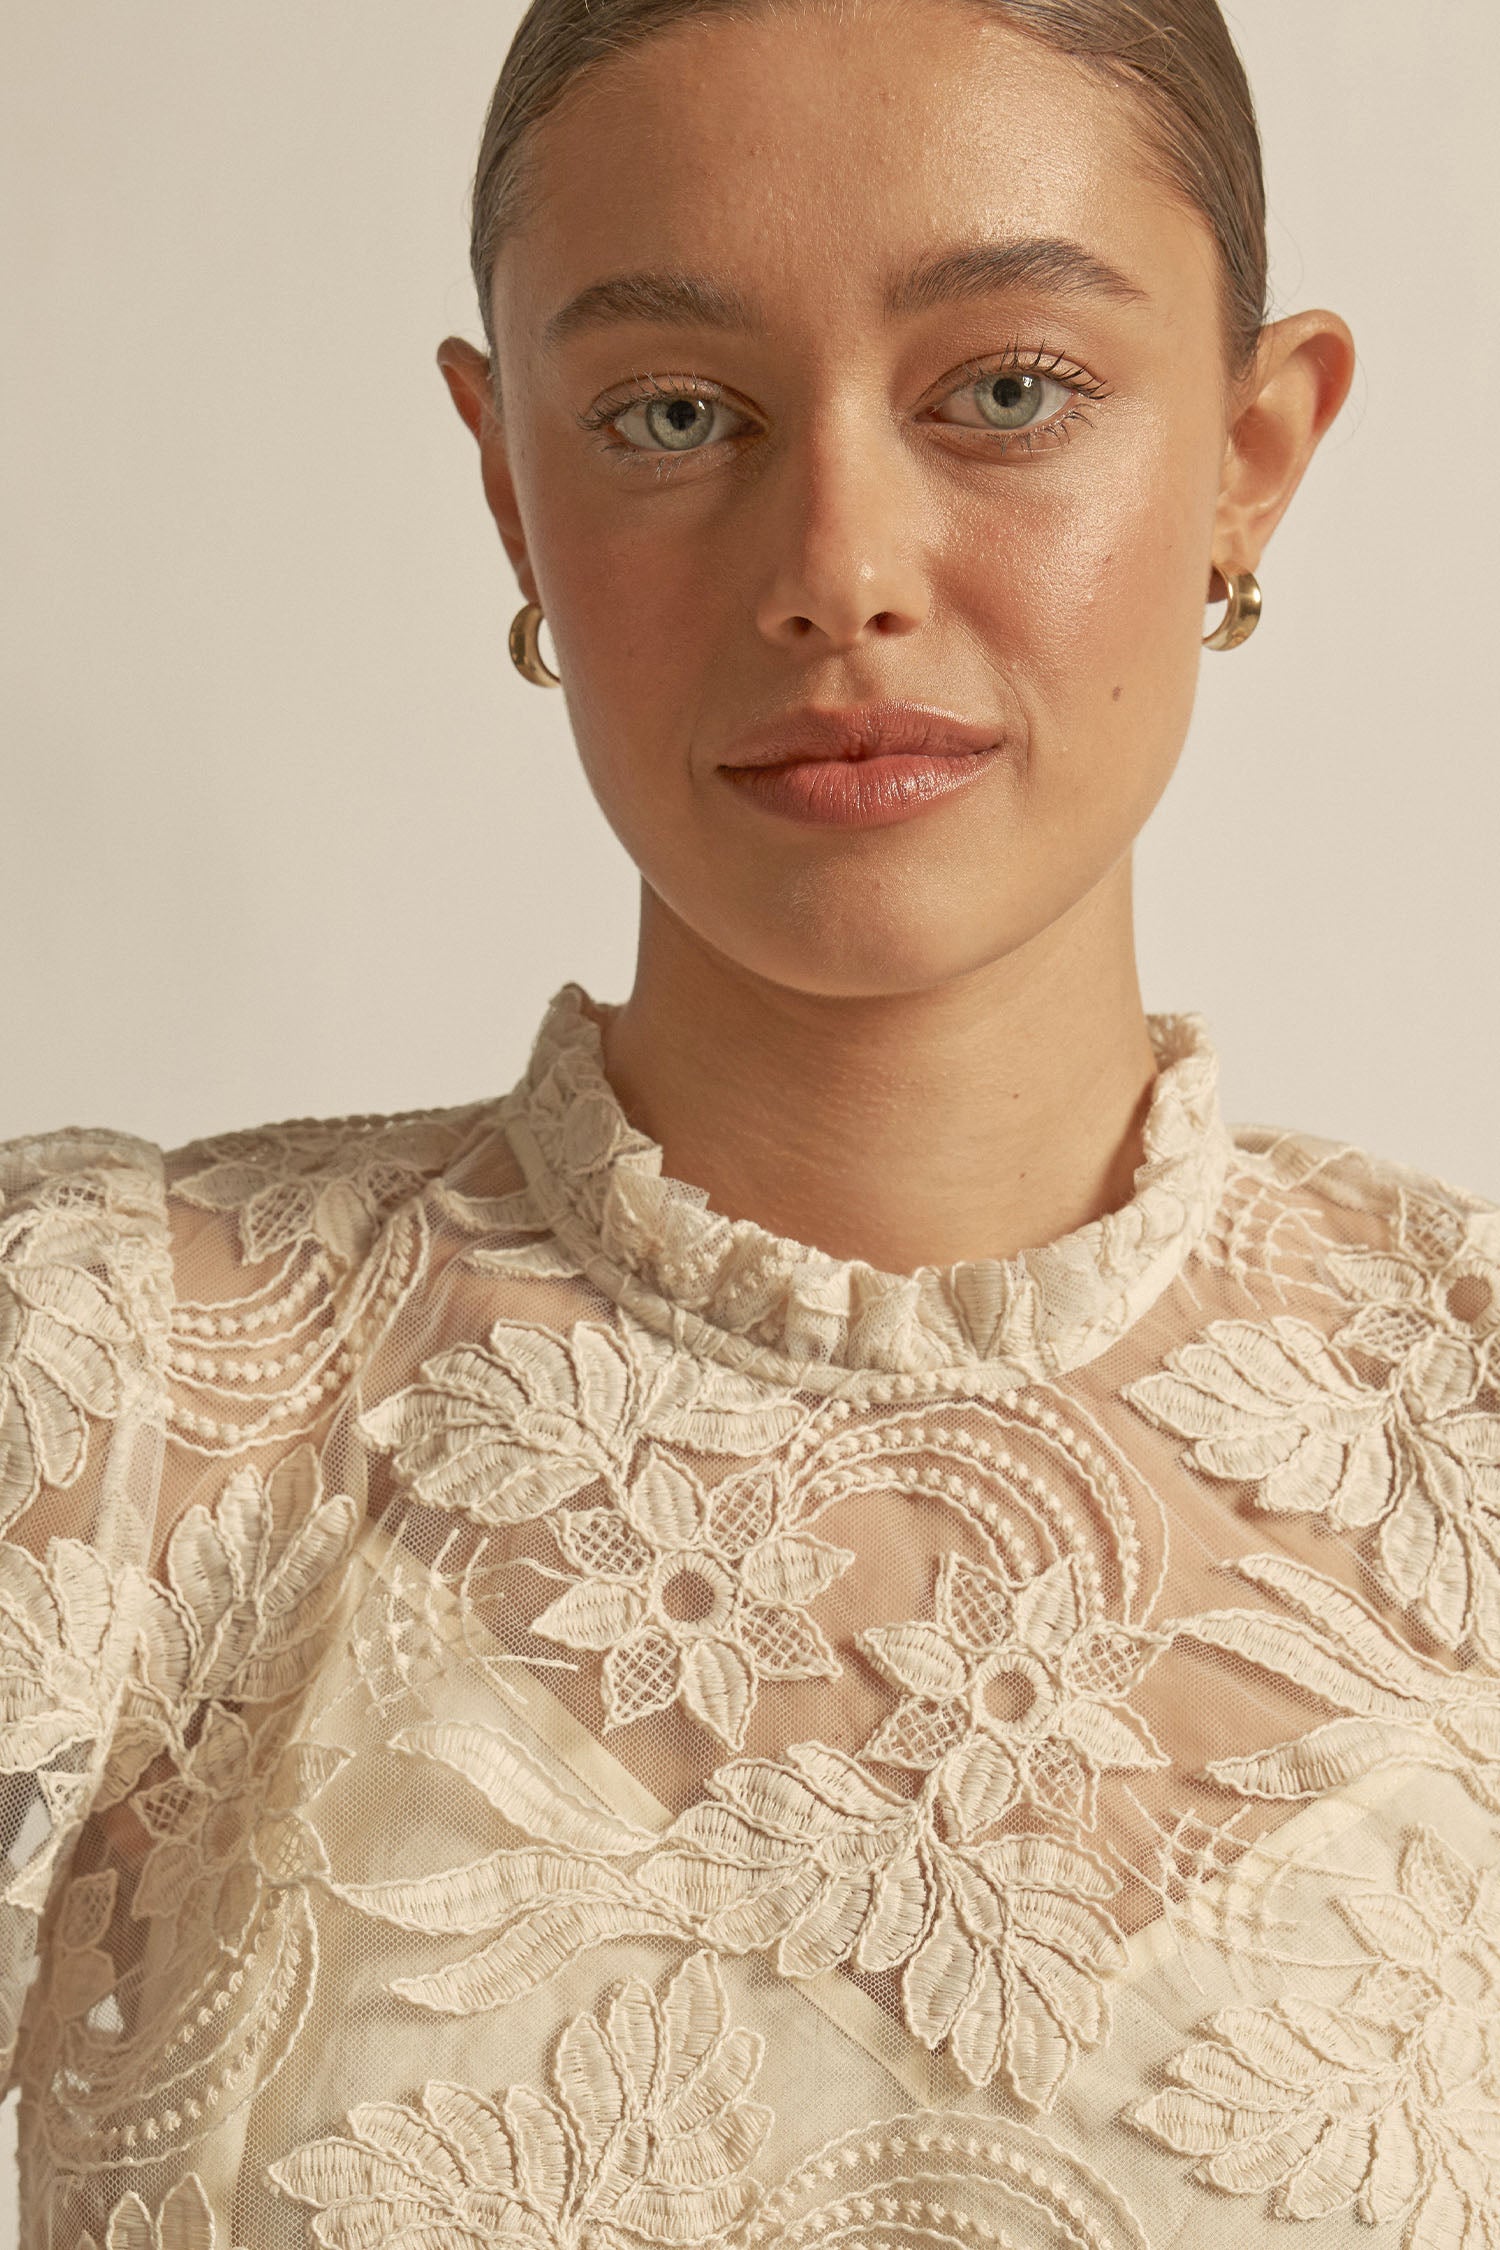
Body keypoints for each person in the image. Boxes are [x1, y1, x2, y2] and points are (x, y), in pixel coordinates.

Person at [3, 1, 1493, 2242]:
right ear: (511, 482)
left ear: (1251, 454)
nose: (840, 565)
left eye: (1009, 390)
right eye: (675, 412)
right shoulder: (105, 1405)